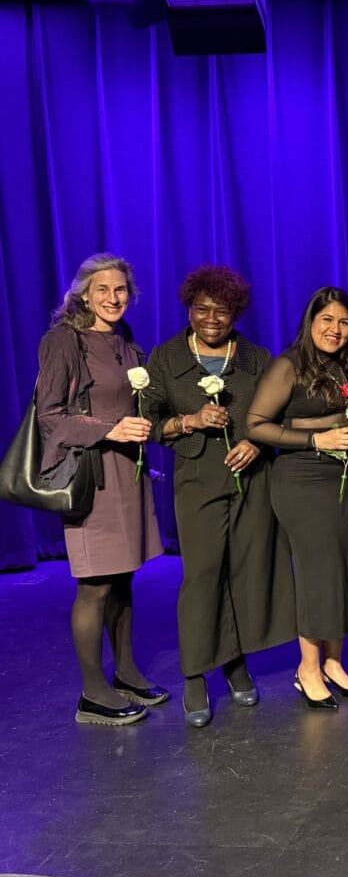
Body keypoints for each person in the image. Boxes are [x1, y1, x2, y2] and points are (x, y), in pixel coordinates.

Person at [143, 265, 297, 727]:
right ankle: (195, 674)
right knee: (203, 575)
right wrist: (187, 421)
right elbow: (147, 421)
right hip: (197, 478)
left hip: (250, 480)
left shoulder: (255, 357)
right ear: (188, 309)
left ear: (236, 314)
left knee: (244, 571)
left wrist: (256, 443)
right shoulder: (167, 358)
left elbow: (279, 414)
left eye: (222, 311)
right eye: (202, 309)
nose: (211, 319)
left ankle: (234, 662)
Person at [36, 253, 165, 725]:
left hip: (127, 472)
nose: (113, 298)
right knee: (95, 586)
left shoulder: (124, 339)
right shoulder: (62, 340)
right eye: (103, 289)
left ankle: (126, 672)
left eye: (121, 289)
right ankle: (92, 694)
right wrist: (110, 430)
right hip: (91, 475)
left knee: (124, 578)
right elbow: (51, 417)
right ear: (84, 295)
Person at [246, 287, 348, 710]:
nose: (335, 329)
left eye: (344, 322)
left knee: (343, 569)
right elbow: (256, 425)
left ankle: (334, 663)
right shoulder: (289, 365)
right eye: (327, 320)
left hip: (346, 480)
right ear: (310, 322)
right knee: (318, 574)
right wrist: (317, 438)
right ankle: (308, 668)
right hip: (303, 481)